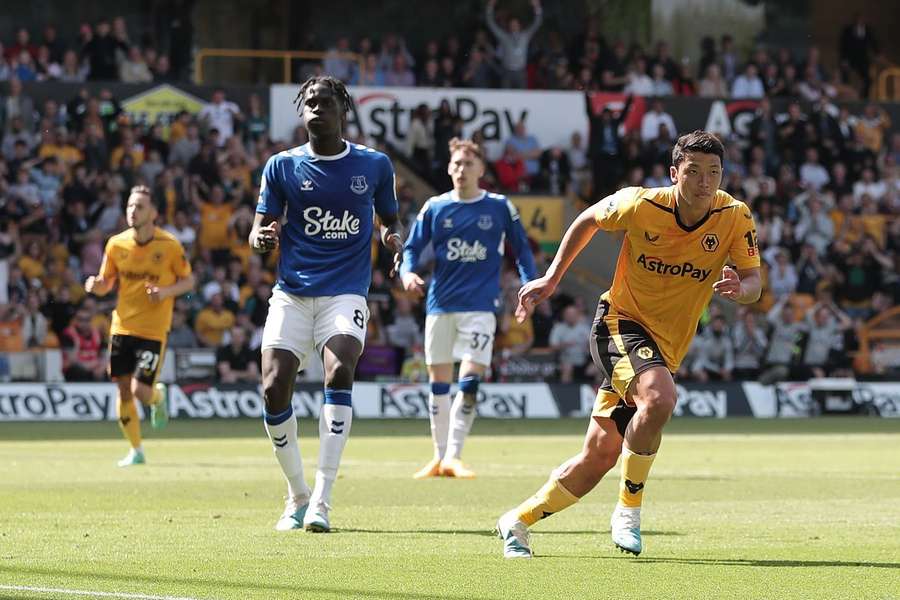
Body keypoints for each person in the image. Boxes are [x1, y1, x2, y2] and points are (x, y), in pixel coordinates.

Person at [496, 130, 761, 558]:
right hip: (619, 324)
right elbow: (587, 219)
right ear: (675, 173)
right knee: (659, 399)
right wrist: (551, 278)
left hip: (664, 348)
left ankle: (517, 521)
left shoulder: (735, 216)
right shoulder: (641, 203)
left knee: (597, 458)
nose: (704, 181)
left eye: (714, 172)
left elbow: (754, 282)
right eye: (693, 172)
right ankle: (629, 511)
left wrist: (741, 289)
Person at [250, 76, 402, 533]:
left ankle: (322, 497)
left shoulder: (374, 166)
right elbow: (261, 228)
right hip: (292, 293)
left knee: (339, 371)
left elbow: (390, 220)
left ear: (344, 109)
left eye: (325, 102)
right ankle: (296, 494)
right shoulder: (280, 166)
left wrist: (393, 239)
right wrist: (261, 238)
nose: (316, 109)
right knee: (274, 387)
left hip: (345, 292)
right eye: (309, 103)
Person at [401, 137, 536, 480]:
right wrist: (408, 273)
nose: (461, 169)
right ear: (449, 168)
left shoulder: (499, 206)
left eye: (468, 164)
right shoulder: (435, 207)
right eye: (456, 164)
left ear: (481, 169)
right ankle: (438, 456)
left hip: (480, 306)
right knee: (438, 382)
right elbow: (412, 250)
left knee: (471, 379)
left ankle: (455, 456)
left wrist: (530, 285)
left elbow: (522, 250)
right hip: (440, 305)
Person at [84, 185, 195, 467]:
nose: (133, 211)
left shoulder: (169, 245)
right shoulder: (116, 244)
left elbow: (189, 281)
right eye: (130, 206)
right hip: (122, 326)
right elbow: (106, 281)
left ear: (154, 212)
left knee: (140, 392)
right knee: (122, 389)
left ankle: (158, 397)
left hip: (153, 330)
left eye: (140, 206)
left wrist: (165, 292)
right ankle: (136, 450)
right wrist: (96, 286)